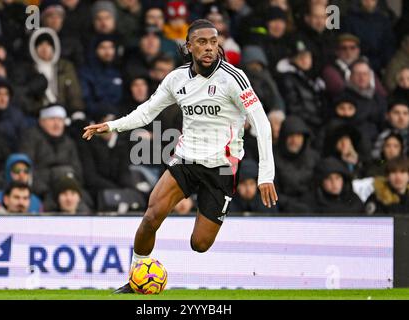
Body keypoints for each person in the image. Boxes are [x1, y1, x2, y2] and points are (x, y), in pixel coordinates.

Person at [82, 19, 277, 293]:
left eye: (213, 41)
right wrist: (112, 126)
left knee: (200, 245)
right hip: (185, 160)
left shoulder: (233, 78)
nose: (209, 47)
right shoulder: (177, 79)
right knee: (151, 216)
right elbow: (147, 111)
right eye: (202, 42)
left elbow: (262, 123)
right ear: (189, 46)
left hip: (221, 168)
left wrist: (265, 175)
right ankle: (137, 275)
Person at [19, 104, 83, 198]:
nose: (57, 124)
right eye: (52, 119)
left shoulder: (69, 142)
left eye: (60, 120)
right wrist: (44, 192)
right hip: (40, 192)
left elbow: (78, 172)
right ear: (41, 121)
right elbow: (27, 169)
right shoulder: (31, 138)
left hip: (67, 192)